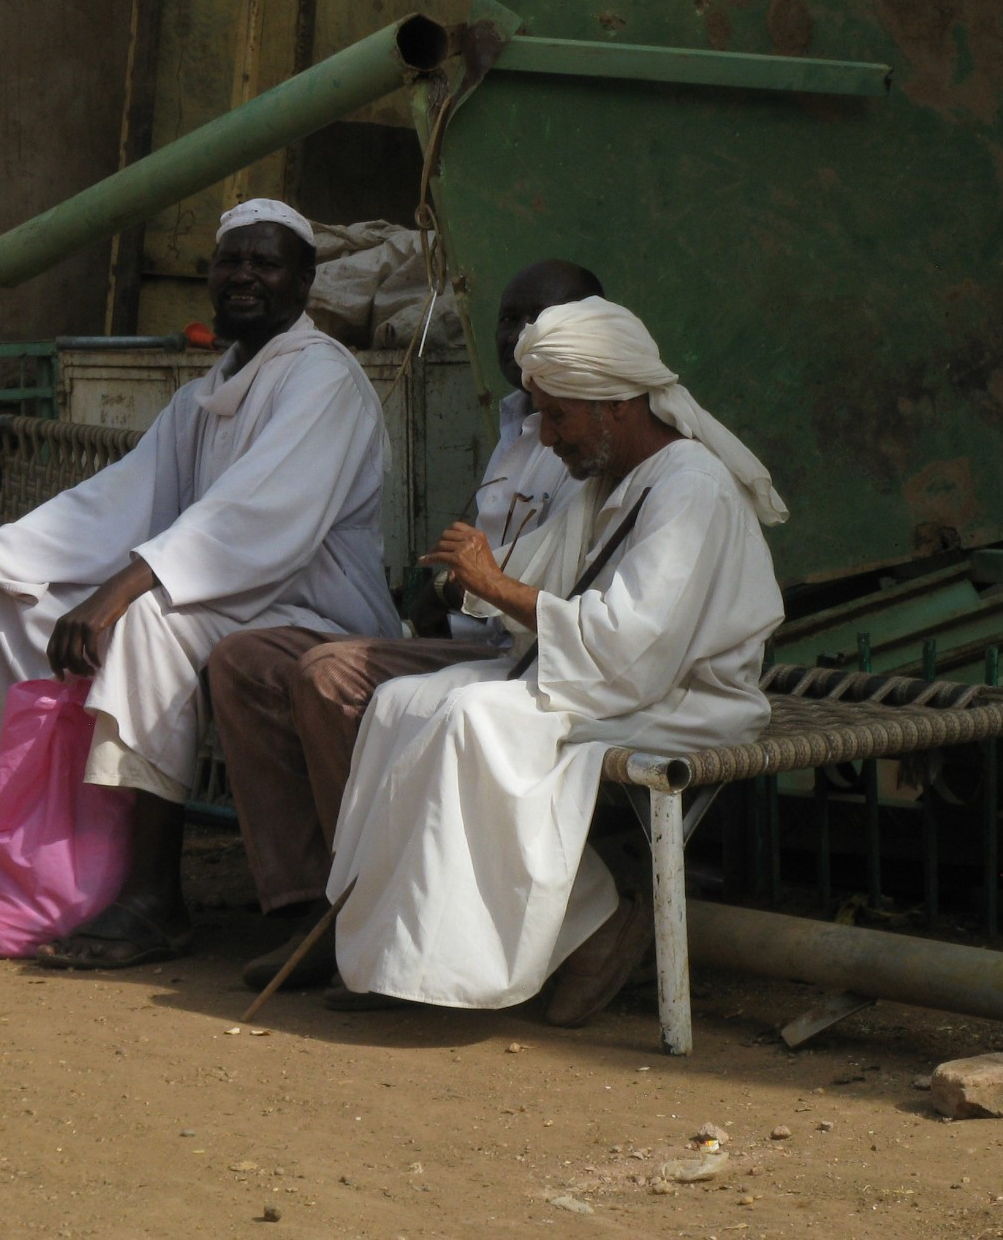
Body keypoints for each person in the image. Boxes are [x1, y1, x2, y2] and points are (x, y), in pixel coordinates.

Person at [0, 199, 399, 967]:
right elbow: (117, 499)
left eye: (264, 263)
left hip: (314, 607)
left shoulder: (322, 380)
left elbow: (258, 517)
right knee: (17, 600)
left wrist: (125, 588)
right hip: (227, 592)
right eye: (230, 261)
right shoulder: (212, 389)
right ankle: (40, 872)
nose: (243, 276)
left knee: (144, 624)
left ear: (304, 281)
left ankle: (152, 897)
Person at [324, 297, 789, 1025]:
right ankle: (393, 950)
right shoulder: (606, 478)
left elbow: (635, 646)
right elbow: (544, 581)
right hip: (613, 680)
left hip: (687, 700)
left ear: (618, 405)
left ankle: (597, 926)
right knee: (402, 704)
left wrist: (494, 585)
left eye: (560, 416)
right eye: (541, 414)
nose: (545, 436)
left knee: (474, 719)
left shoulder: (690, 488)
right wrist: (468, 578)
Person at [208, 260, 605, 992]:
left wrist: (482, 581)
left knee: (328, 676)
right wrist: (437, 588)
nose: (515, 335)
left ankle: (369, 910)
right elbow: (476, 537)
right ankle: (308, 902)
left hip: (520, 652)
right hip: (462, 637)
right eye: (507, 320)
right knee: (244, 658)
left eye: (535, 320)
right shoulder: (517, 427)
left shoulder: (587, 431)